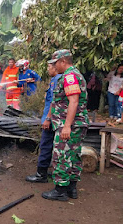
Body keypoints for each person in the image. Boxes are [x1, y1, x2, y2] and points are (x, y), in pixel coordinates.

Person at [43, 49, 89, 201]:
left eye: (56, 63)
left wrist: (67, 126)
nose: (55, 66)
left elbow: (74, 101)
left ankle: (60, 191)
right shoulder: (74, 74)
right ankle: (71, 189)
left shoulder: (69, 76)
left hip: (69, 124)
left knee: (62, 156)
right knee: (73, 155)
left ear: (63, 61)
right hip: (76, 124)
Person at [26, 63, 61, 183]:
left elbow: (53, 101)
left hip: (51, 119)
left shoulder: (57, 80)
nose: (47, 69)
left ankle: (41, 175)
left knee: (45, 145)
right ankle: (49, 171)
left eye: (49, 67)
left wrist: (47, 118)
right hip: (54, 118)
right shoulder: (55, 79)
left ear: (55, 68)